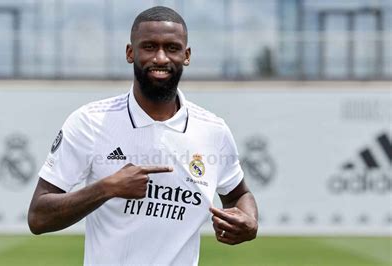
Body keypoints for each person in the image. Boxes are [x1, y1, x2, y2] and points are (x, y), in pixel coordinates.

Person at [28, 6, 258, 266]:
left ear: (187, 55)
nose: (160, 58)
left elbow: (239, 195)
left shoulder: (213, 131)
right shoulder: (89, 122)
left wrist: (249, 222)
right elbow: (38, 217)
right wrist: (108, 188)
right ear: (130, 53)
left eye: (172, 48)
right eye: (149, 47)